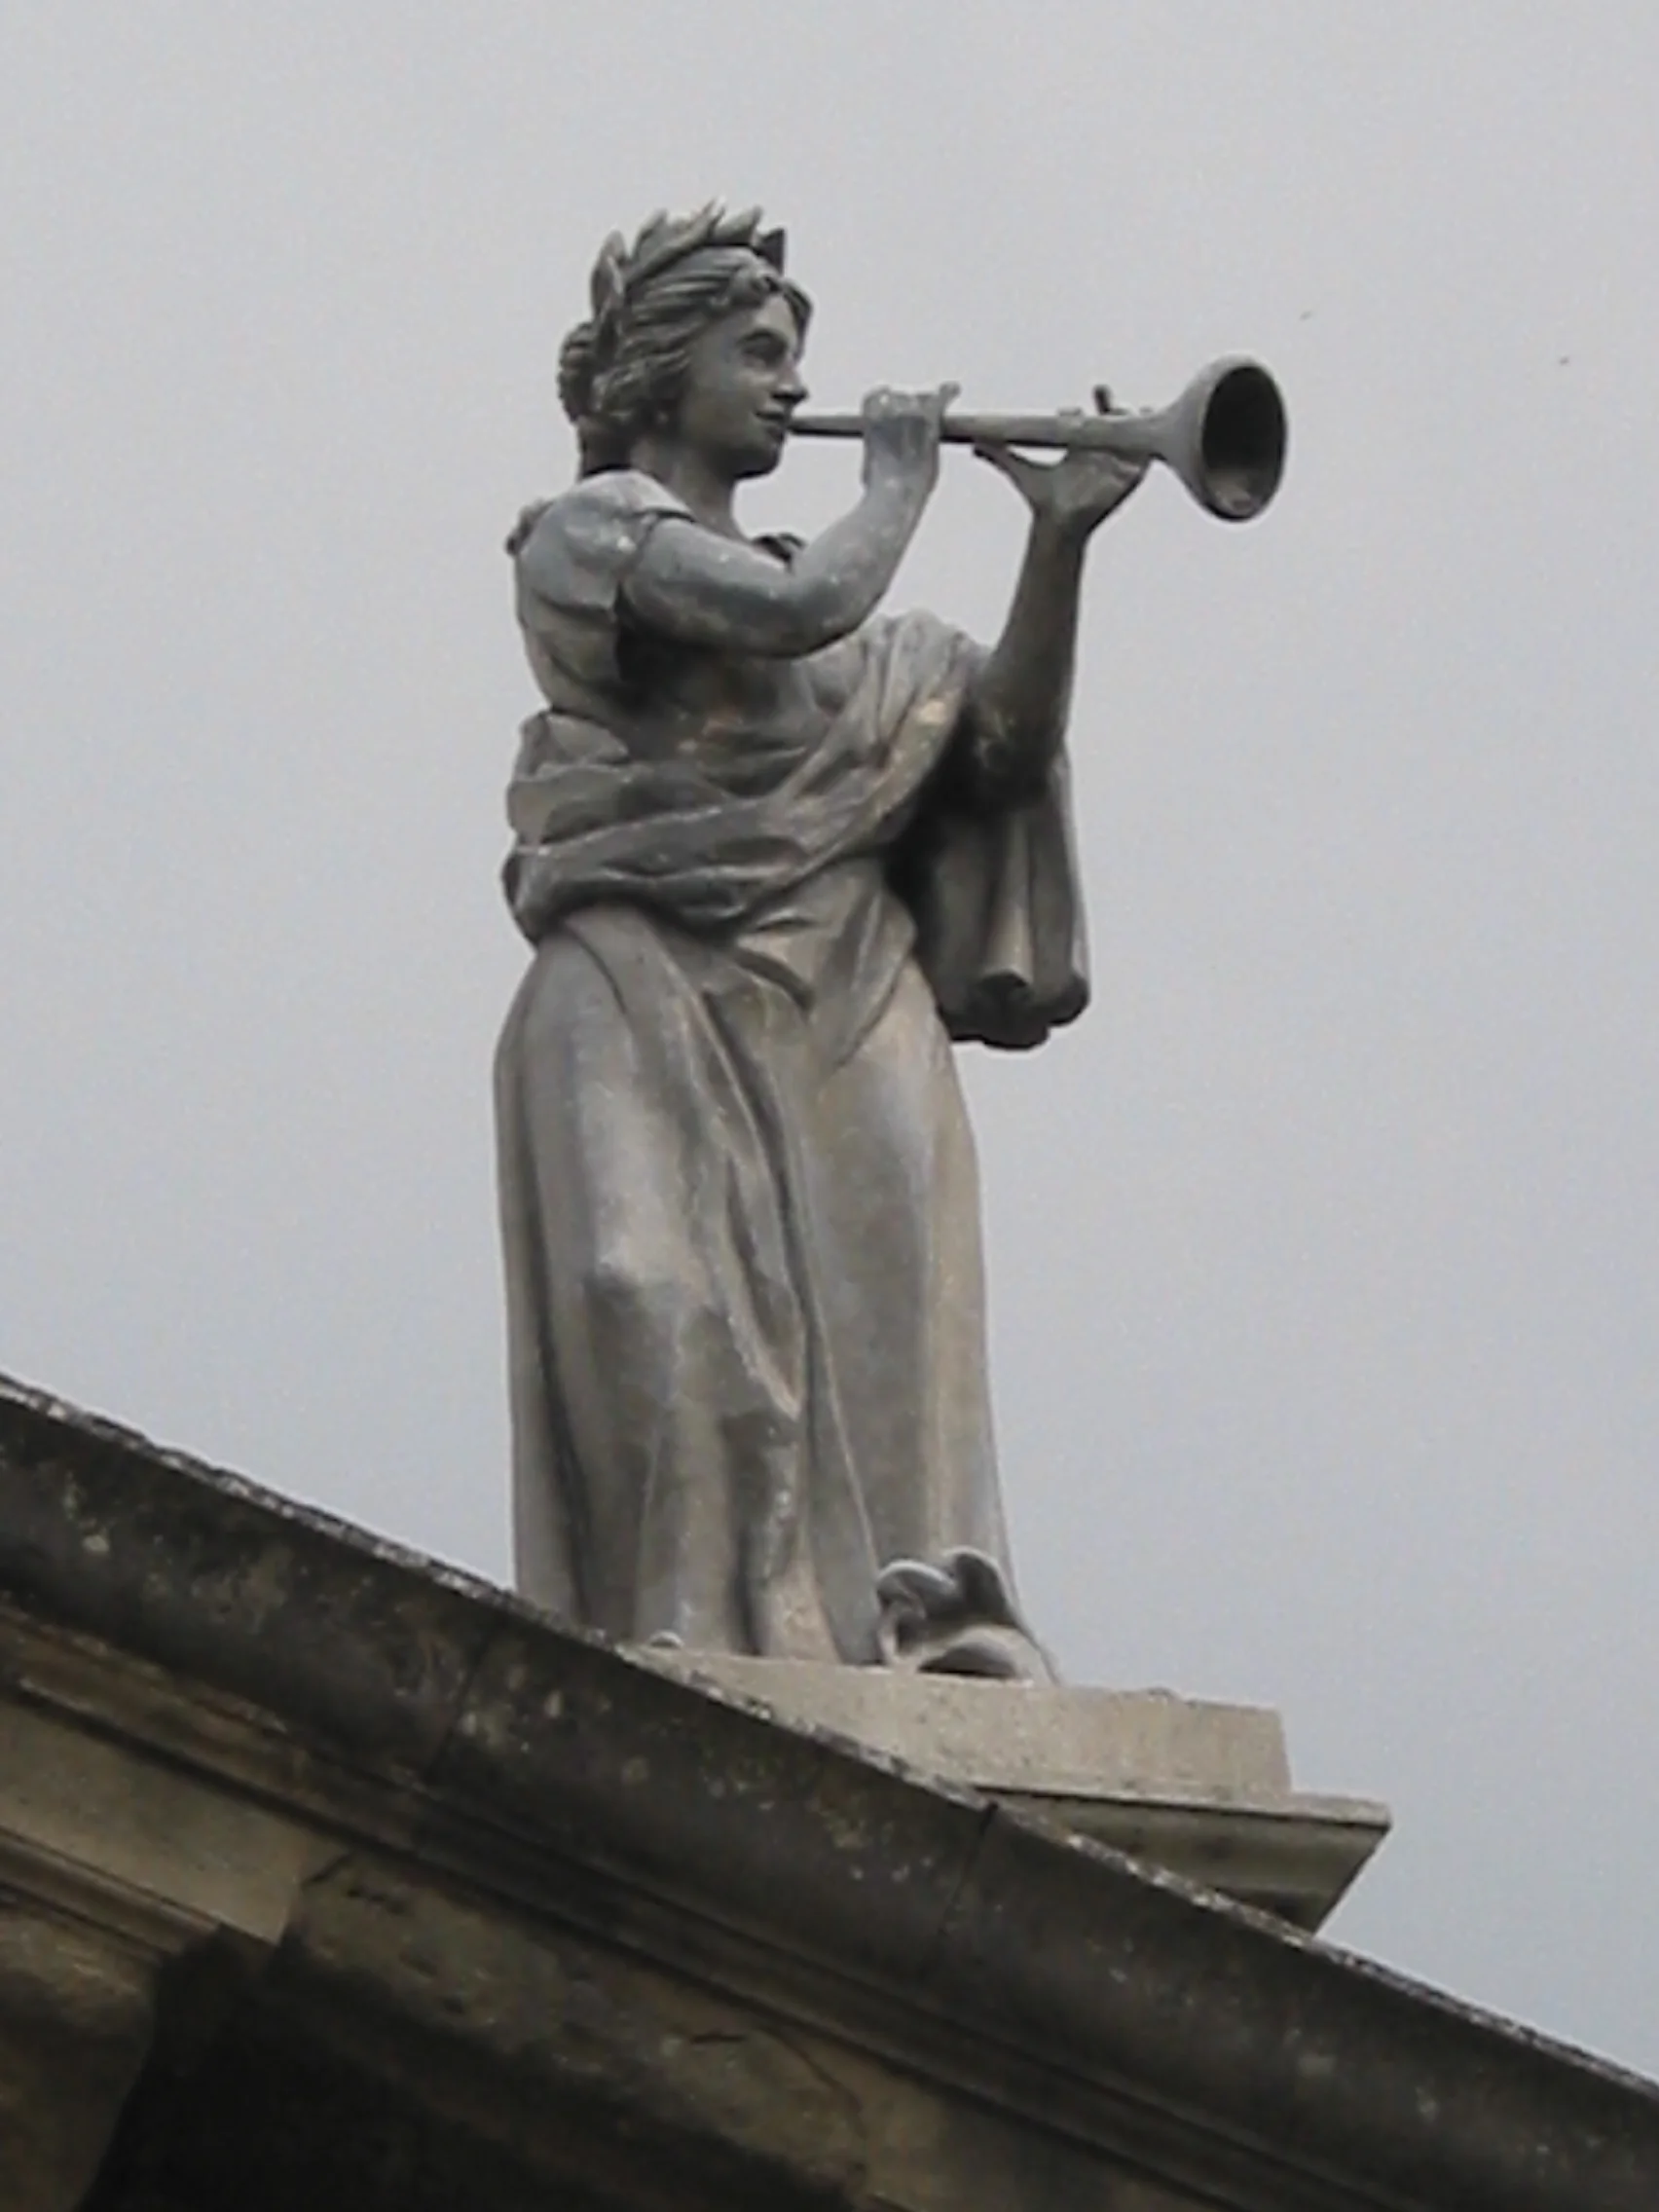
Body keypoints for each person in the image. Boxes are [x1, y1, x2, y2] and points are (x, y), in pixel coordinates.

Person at [496, 206, 1144, 1675]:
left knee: (891, 1327)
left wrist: (1057, 548)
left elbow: (999, 739)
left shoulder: (869, 650)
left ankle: (910, 1634)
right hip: (646, 972)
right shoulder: (589, 533)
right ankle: (692, 1637)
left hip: (853, 992)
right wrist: (902, 482)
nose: (793, 383)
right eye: (761, 352)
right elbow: (789, 606)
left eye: (798, 356)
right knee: (645, 1299)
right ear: (667, 368)